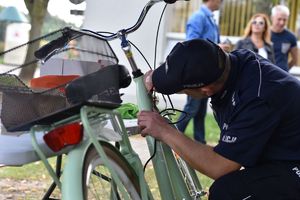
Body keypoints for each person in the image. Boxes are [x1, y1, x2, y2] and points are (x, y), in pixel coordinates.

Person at [139, 39, 300, 199]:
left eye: (184, 90)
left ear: (206, 90)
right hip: (283, 157)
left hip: (293, 166)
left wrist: (165, 131)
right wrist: (157, 80)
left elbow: (220, 166)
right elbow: (190, 61)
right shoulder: (230, 63)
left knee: (226, 193)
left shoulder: (256, 98)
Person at [176, 0, 229, 144]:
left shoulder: (210, 18)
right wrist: (218, 46)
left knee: (200, 111)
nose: (222, 2)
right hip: (197, 73)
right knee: (192, 107)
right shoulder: (198, 17)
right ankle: (174, 135)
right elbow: (191, 43)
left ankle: (200, 141)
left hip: (207, 74)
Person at [271, 5, 298, 71]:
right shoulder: (263, 34)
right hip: (265, 73)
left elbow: (295, 59)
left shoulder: (291, 37)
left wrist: (284, 70)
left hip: (282, 75)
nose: (282, 22)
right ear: (272, 18)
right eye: (279, 19)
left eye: (284, 20)